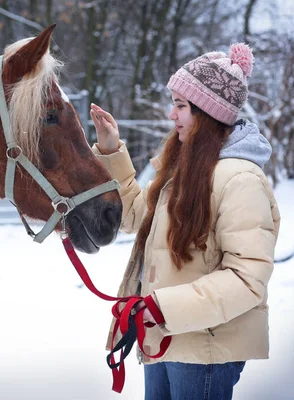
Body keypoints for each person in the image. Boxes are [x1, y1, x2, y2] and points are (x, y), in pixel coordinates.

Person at [90, 43, 280, 400]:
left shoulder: (240, 180)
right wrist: (112, 150)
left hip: (204, 349)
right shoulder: (184, 172)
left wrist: (164, 307)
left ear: (207, 113)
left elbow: (248, 278)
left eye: (180, 106)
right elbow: (134, 217)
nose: (171, 115)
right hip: (165, 337)